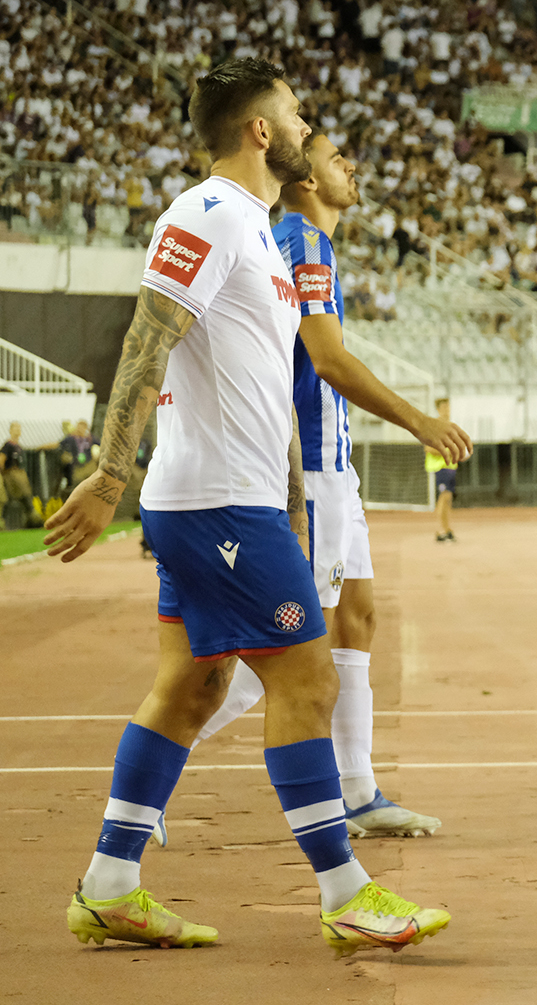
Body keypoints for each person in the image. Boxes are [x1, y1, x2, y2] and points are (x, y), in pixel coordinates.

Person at [43, 59, 450, 954]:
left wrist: (296, 502)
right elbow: (146, 339)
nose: (308, 125)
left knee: (193, 687)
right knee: (307, 677)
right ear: (261, 130)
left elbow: (268, 385)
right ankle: (346, 892)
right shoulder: (208, 213)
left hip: (239, 501)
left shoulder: (264, 235)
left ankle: (111, 884)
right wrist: (108, 474)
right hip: (214, 503)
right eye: (297, 113)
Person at [190, 132, 473, 839]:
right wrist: (418, 421)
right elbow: (329, 359)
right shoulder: (303, 241)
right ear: (307, 179)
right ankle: (158, 765)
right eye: (336, 157)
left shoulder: (307, 242)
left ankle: (361, 791)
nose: (351, 166)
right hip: (308, 470)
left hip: (332, 472)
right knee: (284, 655)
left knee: (358, 618)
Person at [426, 397, 458, 542]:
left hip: (450, 466)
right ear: (438, 409)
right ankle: (442, 529)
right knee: (444, 497)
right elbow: (429, 448)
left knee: (448, 498)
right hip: (440, 467)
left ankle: (447, 528)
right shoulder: (434, 426)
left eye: (449, 407)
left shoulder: (451, 427)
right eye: (444, 407)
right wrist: (447, 452)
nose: (447, 410)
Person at [2, 421, 38, 527]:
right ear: (10, 430)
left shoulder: (19, 446)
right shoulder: (7, 445)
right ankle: (33, 516)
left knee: (25, 495)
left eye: (19, 429)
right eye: (15, 428)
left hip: (21, 473)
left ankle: (30, 519)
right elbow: (2, 460)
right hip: (12, 473)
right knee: (23, 495)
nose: (17, 431)